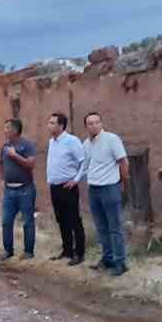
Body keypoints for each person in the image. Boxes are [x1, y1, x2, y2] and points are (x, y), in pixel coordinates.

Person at [82, 111, 131, 275]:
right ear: (86, 126)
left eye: (97, 122)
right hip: (94, 189)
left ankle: (120, 262)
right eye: (90, 123)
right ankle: (107, 259)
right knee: (101, 227)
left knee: (115, 226)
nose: (94, 125)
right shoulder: (86, 144)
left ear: (101, 124)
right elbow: (87, 165)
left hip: (109, 187)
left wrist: (124, 182)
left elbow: (123, 162)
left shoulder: (111, 139)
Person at [44, 111, 86, 265]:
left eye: (53, 123)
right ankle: (67, 250)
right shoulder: (51, 142)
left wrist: (76, 180)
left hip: (68, 187)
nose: (49, 125)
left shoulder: (71, 141)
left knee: (74, 220)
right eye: (49, 122)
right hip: (54, 187)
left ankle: (79, 253)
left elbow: (83, 162)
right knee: (61, 220)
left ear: (61, 125)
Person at [0, 118, 37, 259]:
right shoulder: (4, 147)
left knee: (28, 221)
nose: (5, 130)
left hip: (25, 189)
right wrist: (2, 179)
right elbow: (1, 164)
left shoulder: (28, 145)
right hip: (9, 190)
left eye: (7, 128)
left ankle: (28, 252)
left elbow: (31, 165)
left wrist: (15, 156)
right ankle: (8, 251)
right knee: (6, 221)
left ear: (15, 130)